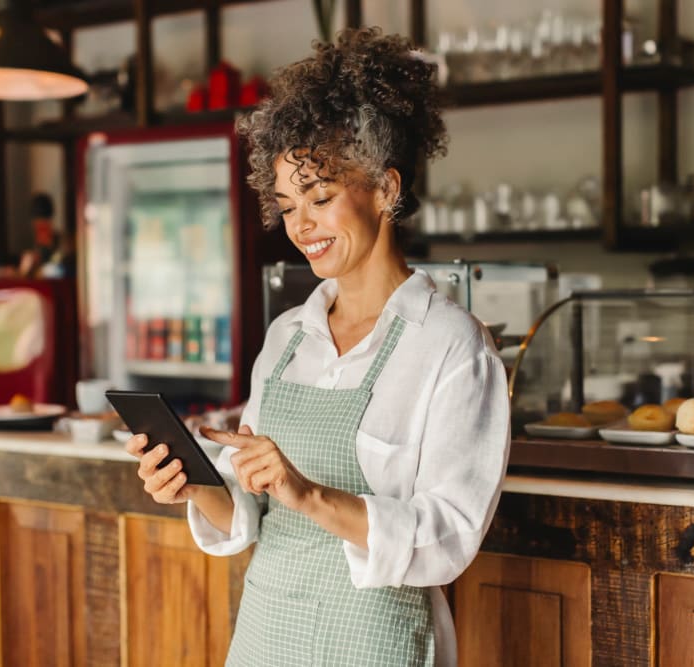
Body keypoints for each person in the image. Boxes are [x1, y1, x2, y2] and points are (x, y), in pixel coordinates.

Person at [125, 27, 510, 666]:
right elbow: (249, 514)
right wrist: (194, 486)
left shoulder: (450, 346)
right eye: (287, 206)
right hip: (267, 631)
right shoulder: (285, 339)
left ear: (386, 190)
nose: (300, 226)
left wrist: (308, 494)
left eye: (321, 198)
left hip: (375, 641)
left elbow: (447, 537)